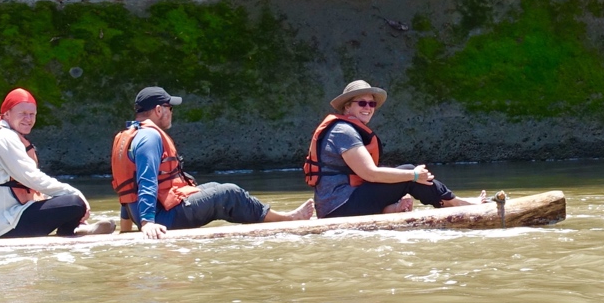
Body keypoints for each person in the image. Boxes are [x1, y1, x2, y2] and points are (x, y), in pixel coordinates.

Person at [112, 86, 314, 238]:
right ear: (158, 110)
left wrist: (126, 229)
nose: (172, 112)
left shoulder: (131, 135)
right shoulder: (150, 137)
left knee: (213, 187)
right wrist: (147, 223)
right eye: (170, 107)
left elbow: (128, 189)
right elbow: (146, 181)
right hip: (162, 218)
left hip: (154, 213)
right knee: (228, 193)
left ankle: (278, 216)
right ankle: (287, 219)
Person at [304, 79, 485, 218]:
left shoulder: (345, 129)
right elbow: (370, 174)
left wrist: (405, 182)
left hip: (341, 204)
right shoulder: (343, 131)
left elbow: (368, 178)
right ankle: (455, 203)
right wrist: (413, 176)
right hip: (338, 208)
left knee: (406, 174)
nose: (368, 108)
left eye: (372, 104)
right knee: (409, 172)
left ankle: (403, 207)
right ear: (347, 106)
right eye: (362, 103)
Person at [0, 87, 116, 239]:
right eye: (22, 113)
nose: (28, 119)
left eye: (32, 114)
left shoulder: (3, 135)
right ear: (7, 114)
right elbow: (32, 177)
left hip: (4, 221)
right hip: (3, 227)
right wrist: (74, 192)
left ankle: (78, 228)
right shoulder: (4, 138)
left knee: (63, 200)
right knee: (74, 203)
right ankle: (71, 230)